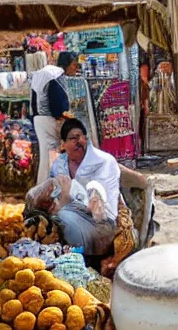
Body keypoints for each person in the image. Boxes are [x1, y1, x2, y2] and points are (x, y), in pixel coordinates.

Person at [49, 118, 120, 269]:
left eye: (81, 136)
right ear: (63, 144)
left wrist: (67, 198)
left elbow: (99, 207)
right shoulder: (59, 164)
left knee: (65, 217)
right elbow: (53, 193)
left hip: (101, 221)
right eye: (73, 138)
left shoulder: (103, 162)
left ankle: (86, 261)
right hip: (70, 214)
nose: (78, 141)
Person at [31, 51, 78, 184]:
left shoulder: (45, 72)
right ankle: (49, 189)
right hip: (48, 119)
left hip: (38, 118)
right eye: (74, 65)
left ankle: (43, 188)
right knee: (52, 155)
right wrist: (63, 116)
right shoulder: (56, 74)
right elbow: (57, 102)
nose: (76, 68)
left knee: (46, 155)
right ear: (67, 65)